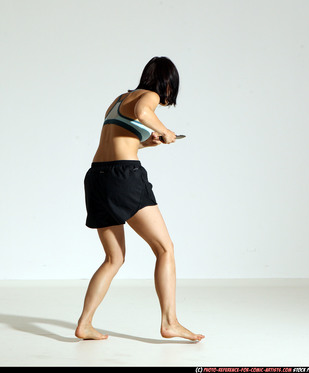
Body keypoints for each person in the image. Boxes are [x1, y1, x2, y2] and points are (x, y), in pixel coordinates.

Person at [75, 57, 205, 342]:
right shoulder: (150, 96)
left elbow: (120, 138)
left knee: (114, 258)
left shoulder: (120, 99)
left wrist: (146, 142)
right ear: (167, 82)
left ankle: (84, 324)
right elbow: (146, 111)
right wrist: (164, 130)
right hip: (125, 178)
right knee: (165, 249)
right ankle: (170, 322)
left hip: (97, 177)